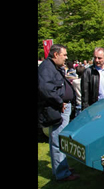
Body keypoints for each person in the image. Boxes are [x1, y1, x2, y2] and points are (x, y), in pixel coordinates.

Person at [38, 44, 79, 181]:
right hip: (57, 108)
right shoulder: (46, 68)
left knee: (58, 139)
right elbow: (45, 88)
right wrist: (59, 102)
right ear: (56, 55)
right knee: (58, 140)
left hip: (60, 107)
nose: (66, 58)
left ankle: (62, 166)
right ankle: (62, 173)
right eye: (64, 55)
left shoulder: (51, 67)